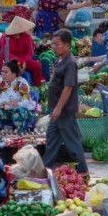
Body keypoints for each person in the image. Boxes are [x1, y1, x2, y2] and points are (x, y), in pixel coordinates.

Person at [43, 30, 88, 177]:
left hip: (64, 110)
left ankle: (83, 171)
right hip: (56, 110)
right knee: (52, 140)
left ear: (67, 45)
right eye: (53, 44)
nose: (54, 47)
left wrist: (58, 108)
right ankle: (46, 169)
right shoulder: (60, 59)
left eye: (58, 44)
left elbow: (68, 87)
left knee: (72, 142)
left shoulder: (70, 63)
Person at [0, 60, 37, 134]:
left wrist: (16, 104)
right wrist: (5, 101)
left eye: (6, 72)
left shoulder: (21, 83)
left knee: (18, 111)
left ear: (14, 74)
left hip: (22, 112)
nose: (3, 74)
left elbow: (27, 102)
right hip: (5, 111)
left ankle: (21, 133)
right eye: (2, 71)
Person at [0, 16, 44, 86]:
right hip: (8, 60)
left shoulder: (26, 36)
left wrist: (24, 62)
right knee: (10, 69)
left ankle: (37, 85)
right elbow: (5, 52)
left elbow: (29, 52)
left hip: (24, 60)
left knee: (37, 66)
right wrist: (18, 62)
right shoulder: (6, 37)